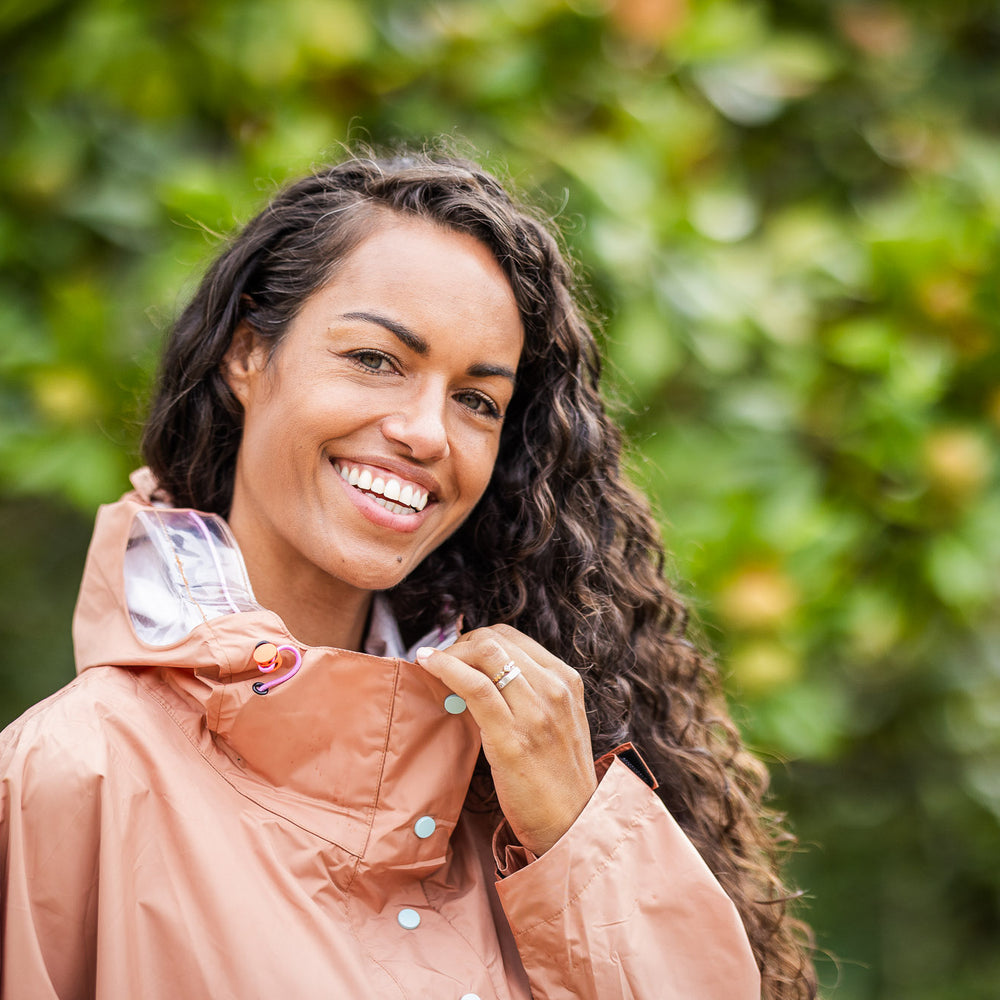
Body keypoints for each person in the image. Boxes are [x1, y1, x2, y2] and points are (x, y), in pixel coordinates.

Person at [0, 150, 816, 999]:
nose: (427, 432)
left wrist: (576, 839)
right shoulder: (69, 776)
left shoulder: (523, 785)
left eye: (476, 400)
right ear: (248, 355)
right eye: (376, 359)